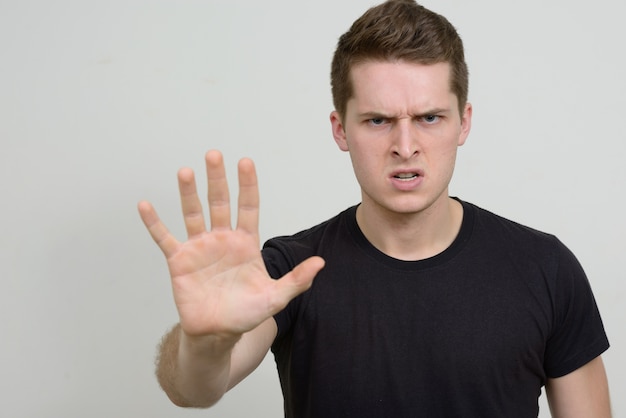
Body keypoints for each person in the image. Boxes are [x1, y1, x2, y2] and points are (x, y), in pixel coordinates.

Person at [138, 1, 611, 416]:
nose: (405, 146)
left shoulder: (545, 268)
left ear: (463, 122)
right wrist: (203, 342)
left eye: (429, 117)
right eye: (378, 121)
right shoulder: (289, 271)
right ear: (341, 130)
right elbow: (194, 391)